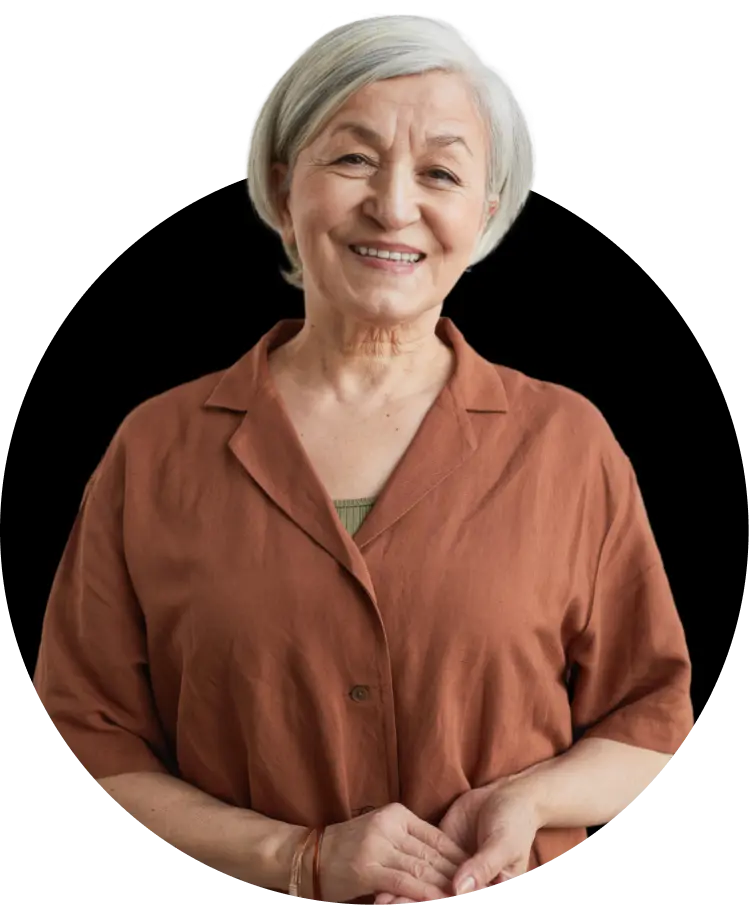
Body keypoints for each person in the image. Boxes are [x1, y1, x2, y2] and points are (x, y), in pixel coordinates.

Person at [32, 12, 692, 905]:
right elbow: (89, 737)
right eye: (351, 159)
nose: (393, 204)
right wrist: (297, 860)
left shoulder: (566, 442)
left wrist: (523, 803)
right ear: (280, 182)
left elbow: (647, 720)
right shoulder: (156, 447)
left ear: (485, 211)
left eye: (441, 172)